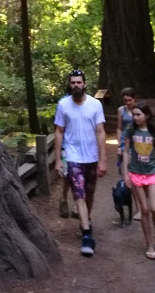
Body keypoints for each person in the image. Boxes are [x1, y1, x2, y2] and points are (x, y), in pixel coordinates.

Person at [54, 69, 107, 257]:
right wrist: (59, 159)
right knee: (79, 194)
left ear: (84, 84)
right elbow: (59, 131)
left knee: (90, 193)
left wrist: (103, 159)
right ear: (69, 84)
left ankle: (87, 219)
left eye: (79, 82)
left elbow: (100, 132)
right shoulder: (63, 105)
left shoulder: (95, 104)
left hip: (91, 156)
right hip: (73, 156)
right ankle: (86, 234)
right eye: (73, 82)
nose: (76, 85)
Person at [122, 101, 155, 260]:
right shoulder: (130, 131)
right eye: (134, 114)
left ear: (146, 115)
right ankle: (149, 244)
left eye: (138, 114)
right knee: (144, 210)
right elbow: (126, 152)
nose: (135, 117)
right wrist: (125, 174)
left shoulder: (153, 132)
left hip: (152, 173)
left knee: (154, 208)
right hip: (135, 173)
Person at [116, 87, 141, 221]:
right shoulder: (121, 110)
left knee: (138, 177)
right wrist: (119, 145)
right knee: (129, 178)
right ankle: (138, 208)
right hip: (125, 145)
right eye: (125, 100)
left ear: (134, 98)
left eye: (130, 100)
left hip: (138, 144)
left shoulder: (140, 110)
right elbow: (120, 128)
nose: (127, 103)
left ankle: (141, 207)